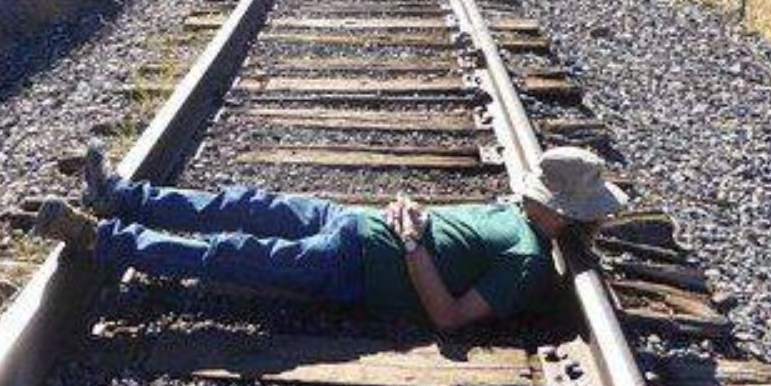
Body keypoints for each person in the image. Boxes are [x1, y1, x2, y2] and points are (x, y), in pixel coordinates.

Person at [35, 143, 627, 331]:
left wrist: (415, 243)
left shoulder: (525, 262)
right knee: (240, 204)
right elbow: (447, 231)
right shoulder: (516, 217)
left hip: (354, 266)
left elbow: (447, 317)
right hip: (348, 219)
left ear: (560, 212)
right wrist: (411, 213)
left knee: (233, 254)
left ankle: (100, 238)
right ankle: (119, 197)